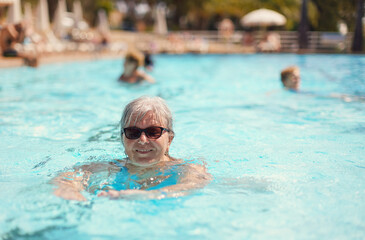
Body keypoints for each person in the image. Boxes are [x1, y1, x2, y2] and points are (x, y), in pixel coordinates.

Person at [53, 96, 211, 201]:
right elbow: (66, 177)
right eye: (133, 132)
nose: (143, 140)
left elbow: (191, 186)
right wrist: (70, 191)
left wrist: (147, 196)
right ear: (122, 138)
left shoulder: (187, 169)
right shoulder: (111, 167)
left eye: (153, 132)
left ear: (169, 139)